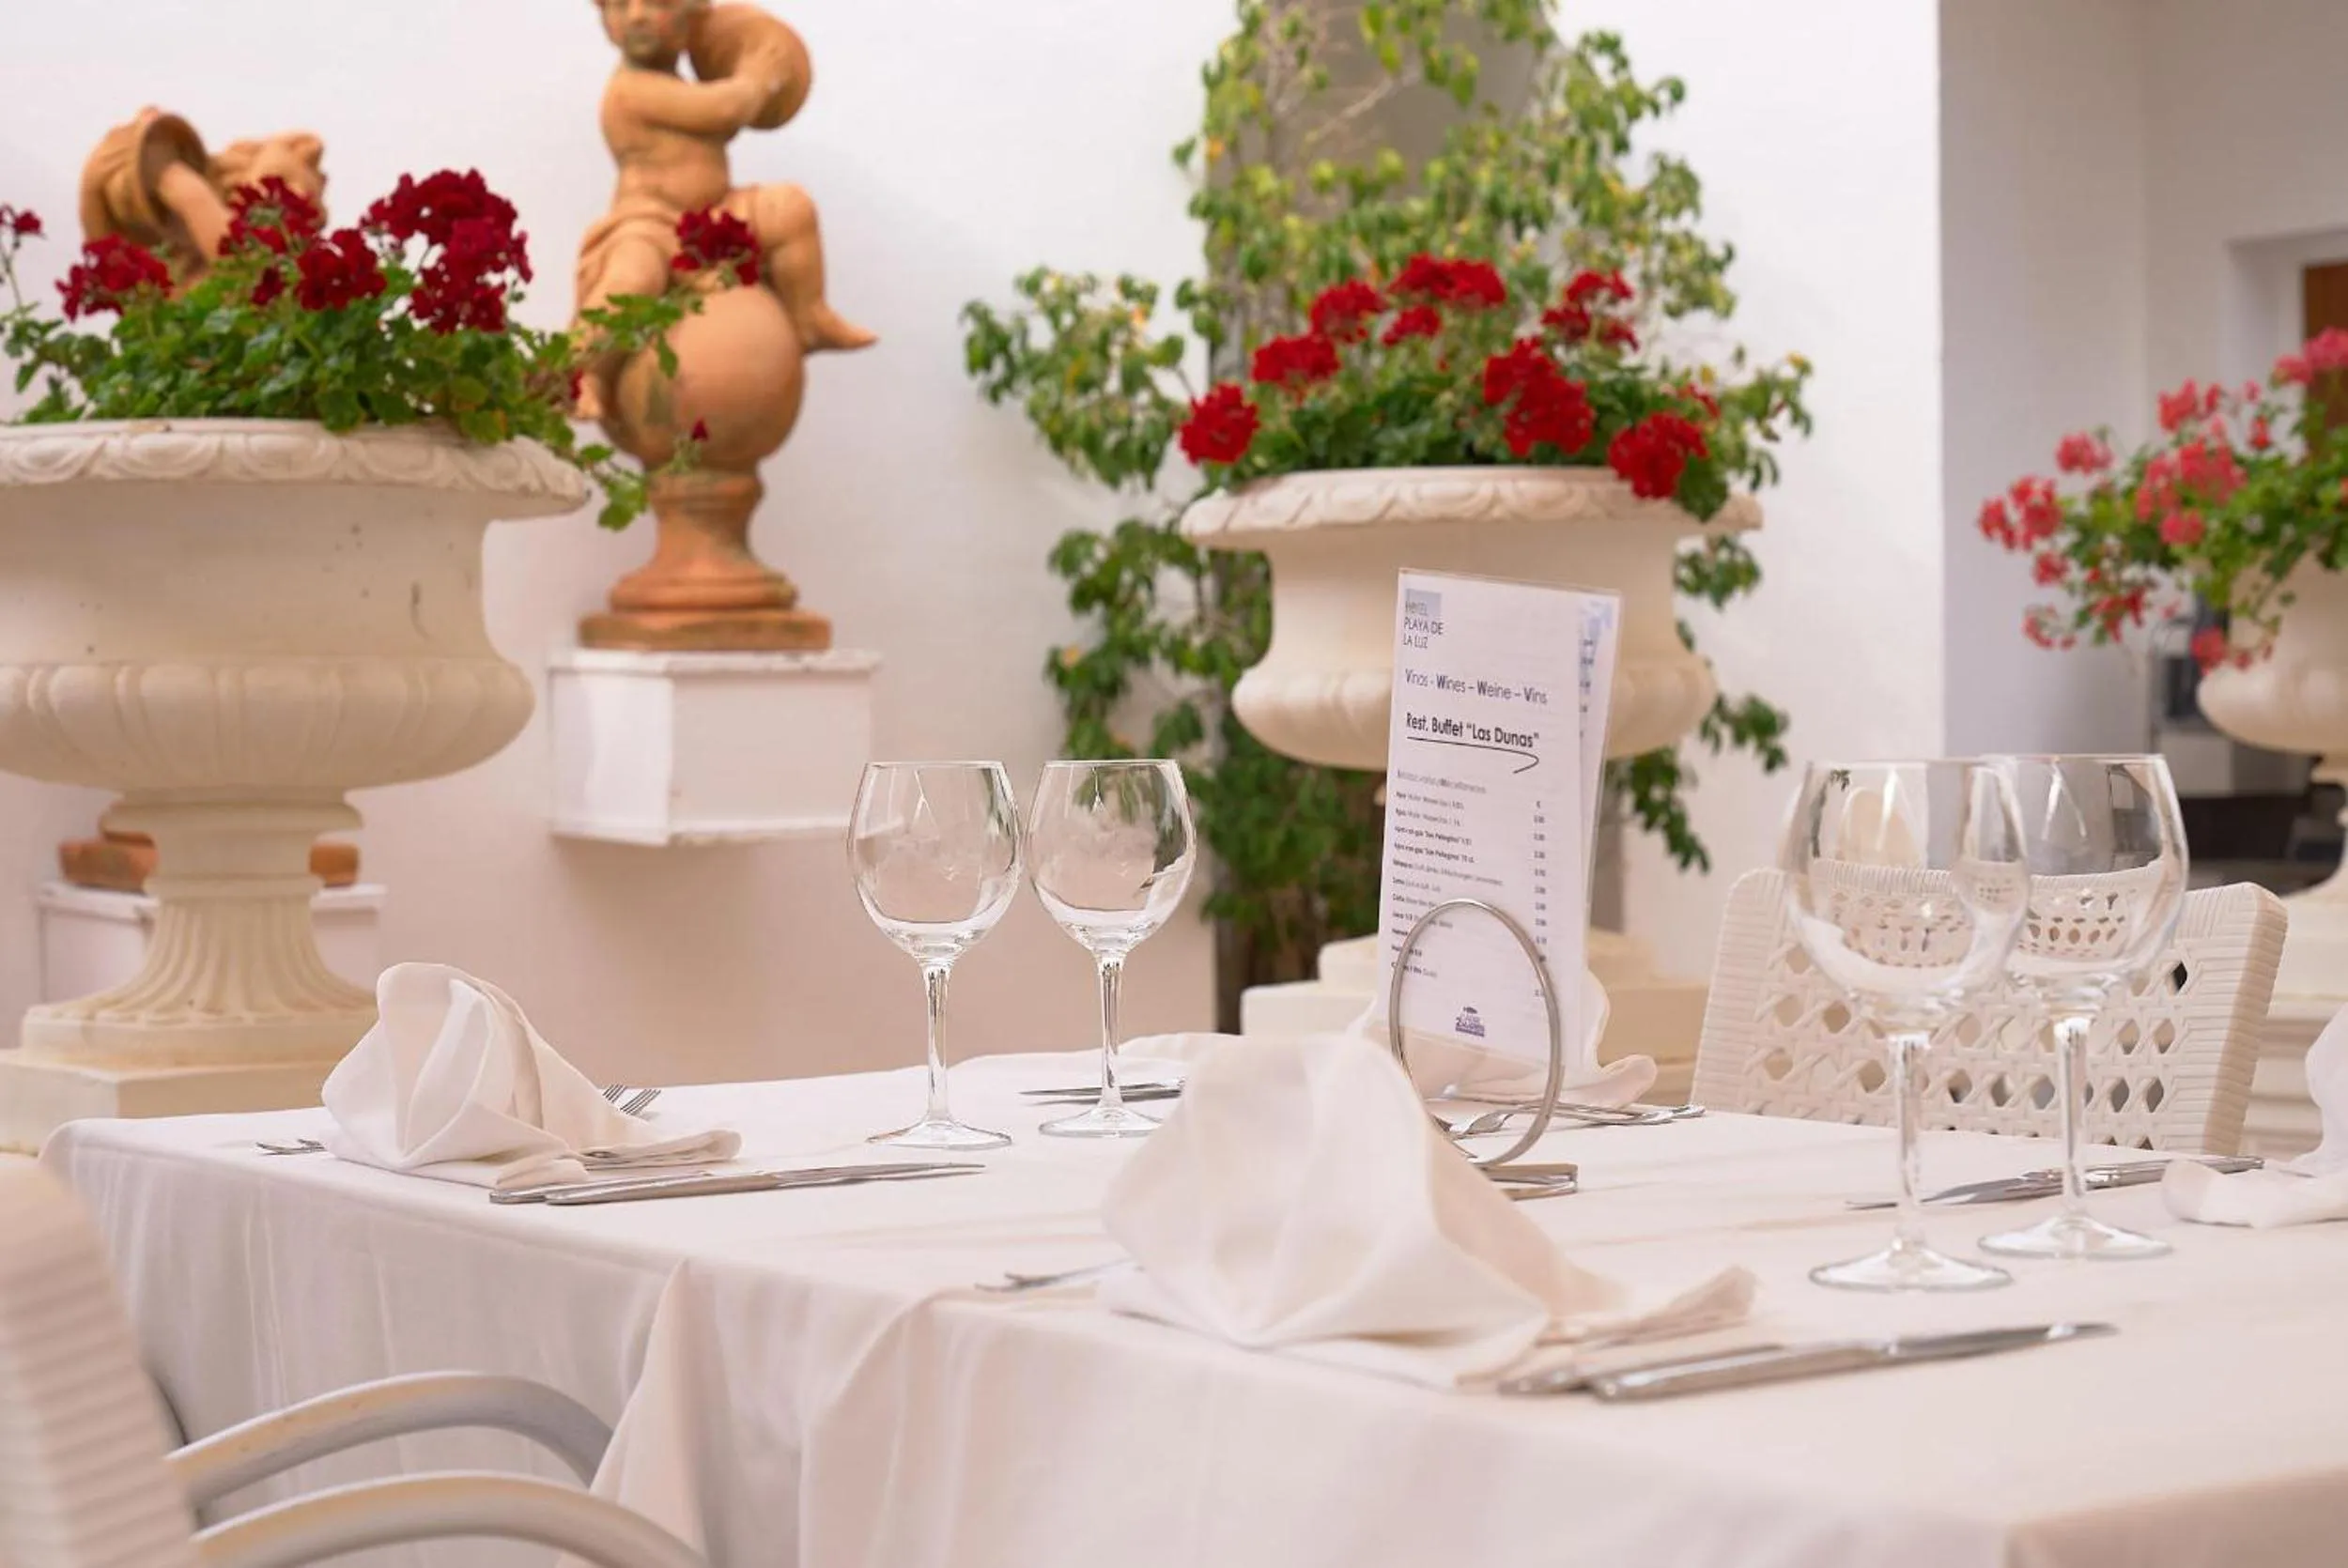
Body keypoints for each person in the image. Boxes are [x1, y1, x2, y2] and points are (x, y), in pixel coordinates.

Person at [575, 0, 873, 418]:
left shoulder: (675, 83)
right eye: (621, 5)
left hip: (712, 216)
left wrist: (745, 56)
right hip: (649, 224)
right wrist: (757, 79)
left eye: (658, 2)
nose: (638, 15)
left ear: (690, 17)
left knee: (789, 208)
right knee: (633, 279)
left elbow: (724, 113)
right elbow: (723, 111)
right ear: (604, 21)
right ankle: (582, 370)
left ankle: (809, 316)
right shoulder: (632, 90)